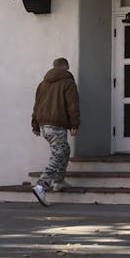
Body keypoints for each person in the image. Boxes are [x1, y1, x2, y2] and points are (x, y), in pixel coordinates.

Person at [30, 57, 80, 207]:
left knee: (64, 150)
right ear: (66, 66)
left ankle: (59, 181)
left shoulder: (42, 84)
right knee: (59, 153)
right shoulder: (68, 83)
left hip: (44, 125)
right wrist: (75, 124)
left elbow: (36, 105)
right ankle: (41, 185)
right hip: (56, 125)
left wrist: (35, 124)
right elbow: (73, 105)